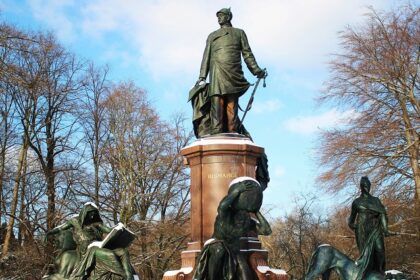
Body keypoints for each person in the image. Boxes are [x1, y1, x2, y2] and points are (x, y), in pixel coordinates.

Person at [196, 8, 266, 134]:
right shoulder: (212, 36)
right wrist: (202, 77)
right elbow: (206, 57)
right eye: (218, 16)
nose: (219, 18)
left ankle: (232, 131)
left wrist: (256, 71)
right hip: (217, 71)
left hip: (233, 71)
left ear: (228, 17)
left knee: (231, 103)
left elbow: (247, 54)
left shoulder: (239, 33)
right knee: (217, 101)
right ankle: (216, 131)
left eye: (221, 16)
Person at [193, 177, 271, 280]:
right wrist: (237, 191)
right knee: (219, 250)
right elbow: (222, 206)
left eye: (244, 216)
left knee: (245, 274)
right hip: (217, 245)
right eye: (240, 216)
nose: (242, 220)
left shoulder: (247, 223)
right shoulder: (225, 215)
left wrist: (257, 211)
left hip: (234, 251)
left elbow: (266, 230)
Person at [45, 202, 134, 280]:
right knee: (109, 255)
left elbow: (108, 230)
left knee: (123, 251)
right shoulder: (75, 221)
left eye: (94, 214)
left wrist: (119, 228)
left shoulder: (96, 223)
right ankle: (122, 275)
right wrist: (49, 233)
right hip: (88, 250)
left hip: (99, 245)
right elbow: (61, 228)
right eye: (90, 214)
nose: (92, 216)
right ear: (84, 213)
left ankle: (129, 276)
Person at [348, 177, 390, 278]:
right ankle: (369, 274)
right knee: (366, 254)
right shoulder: (356, 202)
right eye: (365, 185)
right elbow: (351, 219)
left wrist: (385, 229)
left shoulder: (376, 200)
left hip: (375, 229)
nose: (367, 187)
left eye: (368, 185)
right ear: (361, 187)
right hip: (362, 230)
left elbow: (382, 213)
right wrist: (353, 226)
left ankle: (380, 272)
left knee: (380, 250)